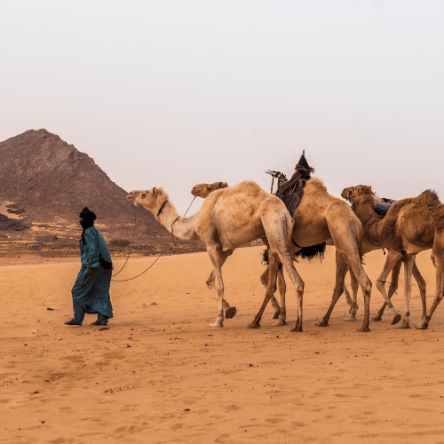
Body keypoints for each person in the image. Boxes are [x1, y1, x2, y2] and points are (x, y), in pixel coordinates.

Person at [65, 207, 114, 326]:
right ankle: (102, 320)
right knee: (101, 291)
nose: (80, 221)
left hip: (95, 266)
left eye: (81, 218)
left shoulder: (88, 232)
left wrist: (90, 267)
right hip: (105, 266)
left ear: (86, 220)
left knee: (77, 290)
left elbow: (92, 250)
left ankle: (78, 319)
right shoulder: (94, 230)